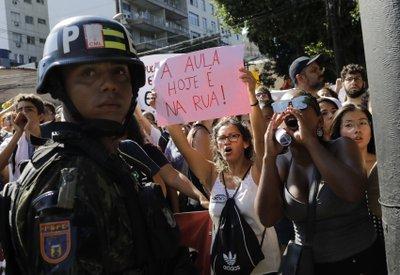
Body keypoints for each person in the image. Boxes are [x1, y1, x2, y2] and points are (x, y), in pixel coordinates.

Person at [0, 16, 195, 274]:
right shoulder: (65, 181)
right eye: (88, 73)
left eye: (120, 72)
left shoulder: (110, 159)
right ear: (60, 86)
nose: (110, 84)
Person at [158, 68, 281, 274]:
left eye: (233, 137)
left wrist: (251, 93)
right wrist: (164, 108)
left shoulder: (258, 169)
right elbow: (184, 146)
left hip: (263, 267)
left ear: (246, 143)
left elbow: (260, 137)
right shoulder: (211, 175)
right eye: (222, 139)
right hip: (224, 267)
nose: (227, 142)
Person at [256, 90, 383, 274]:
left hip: (358, 262)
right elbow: (267, 218)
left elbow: (352, 192)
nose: (290, 110)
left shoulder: (342, 147)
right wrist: (268, 157)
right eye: (282, 107)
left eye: (300, 104)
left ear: (319, 121)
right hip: (309, 267)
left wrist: (310, 142)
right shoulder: (281, 162)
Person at [330, 104, 387, 273]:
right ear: (338, 131)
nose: (357, 130)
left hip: (388, 236)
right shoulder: (333, 167)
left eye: (363, 123)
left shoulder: (385, 161)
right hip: (353, 247)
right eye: (348, 125)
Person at [0, 94, 44, 182]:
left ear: (40, 117)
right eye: (20, 110)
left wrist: (30, 131)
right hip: (19, 193)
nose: (23, 113)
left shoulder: (51, 137)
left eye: (29, 110)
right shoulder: (11, 141)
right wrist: (18, 134)